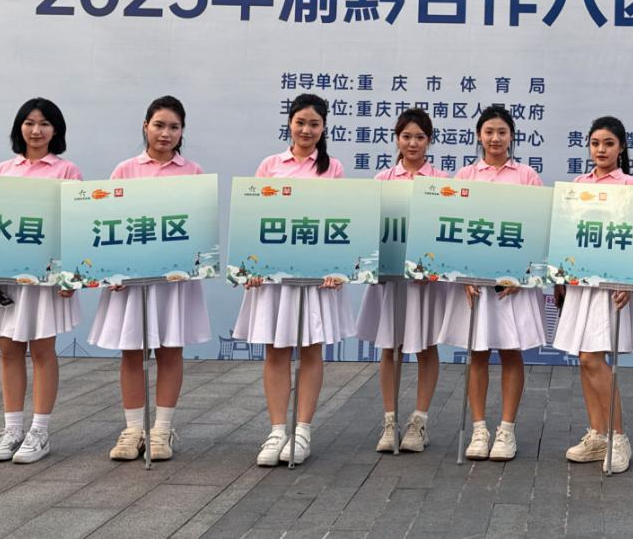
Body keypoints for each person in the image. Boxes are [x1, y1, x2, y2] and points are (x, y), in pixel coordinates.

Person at [88, 95, 210, 462]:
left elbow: (200, 229)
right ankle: (133, 430)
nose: (165, 133)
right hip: (131, 280)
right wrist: (110, 270)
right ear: (146, 126)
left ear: (182, 131)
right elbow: (107, 223)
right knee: (132, 351)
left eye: (174, 127)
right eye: (159, 125)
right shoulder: (125, 170)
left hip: (173, 282)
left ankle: (161, 430)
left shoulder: (193, 173)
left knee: (170, 350)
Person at [233, 94, 353, 466]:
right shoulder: (270, 166)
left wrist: (338, 268)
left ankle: (302, 431)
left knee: (312, 349)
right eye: (300, 122)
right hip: (274, 277)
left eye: (314, 124)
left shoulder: (333, 168)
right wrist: (249, 266)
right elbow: (255, 218)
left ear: (324, 127)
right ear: (289, 123)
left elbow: (341, 221)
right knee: (276, 350)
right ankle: (276, 431)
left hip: (316, 276)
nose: (306, 130)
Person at [0, 98, 82, 464]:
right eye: (30, 122)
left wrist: (70, 276)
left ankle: (39, 431)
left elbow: (74, 227)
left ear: (56, 130)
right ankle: (12, 428)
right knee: (8, 350)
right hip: (6, 278)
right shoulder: (2, 170)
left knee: (43, 350)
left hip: (44, 280)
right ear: (19, 127)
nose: (37, 130)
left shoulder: (67, 171)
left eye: (45, 123)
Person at [436, 106, 544, 462]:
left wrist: (523, 275)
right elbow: (452, 229)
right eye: (489, 132)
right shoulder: (465, 176)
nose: (495, 138)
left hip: (513, 284)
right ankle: (479, 429)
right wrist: (463, 274)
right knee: (478, 353)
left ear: (511, 136)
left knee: (511, 352)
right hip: (475, 284)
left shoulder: (527, 176)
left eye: (502, 132)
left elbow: (538, 229)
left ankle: (507, 430)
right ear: (479, 136)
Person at [356, 108, 449, 454]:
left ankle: (419, 422)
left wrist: (432, 267)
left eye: (420, 137)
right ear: (396, 139)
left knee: (426, 346)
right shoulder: (383, 180)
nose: (413, 143)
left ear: (429, 141)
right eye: (406, 136)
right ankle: (390, 420)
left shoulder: (442, 181)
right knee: (389, 346)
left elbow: (445, 231)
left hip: (425, 282)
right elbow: (370, 228)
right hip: (391, 279)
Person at [554, 116, 633, 473]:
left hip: (612, 286)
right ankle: (597, 435)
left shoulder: (630, 186)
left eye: (608, 143)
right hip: (580, 283)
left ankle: (619, 437)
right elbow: (567, 233)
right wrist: (559, 276)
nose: (601, 150)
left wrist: (629, 282)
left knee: (594, 358)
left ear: (621, 147)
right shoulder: (579, 185)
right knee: (583, 359)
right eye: (595, 143)